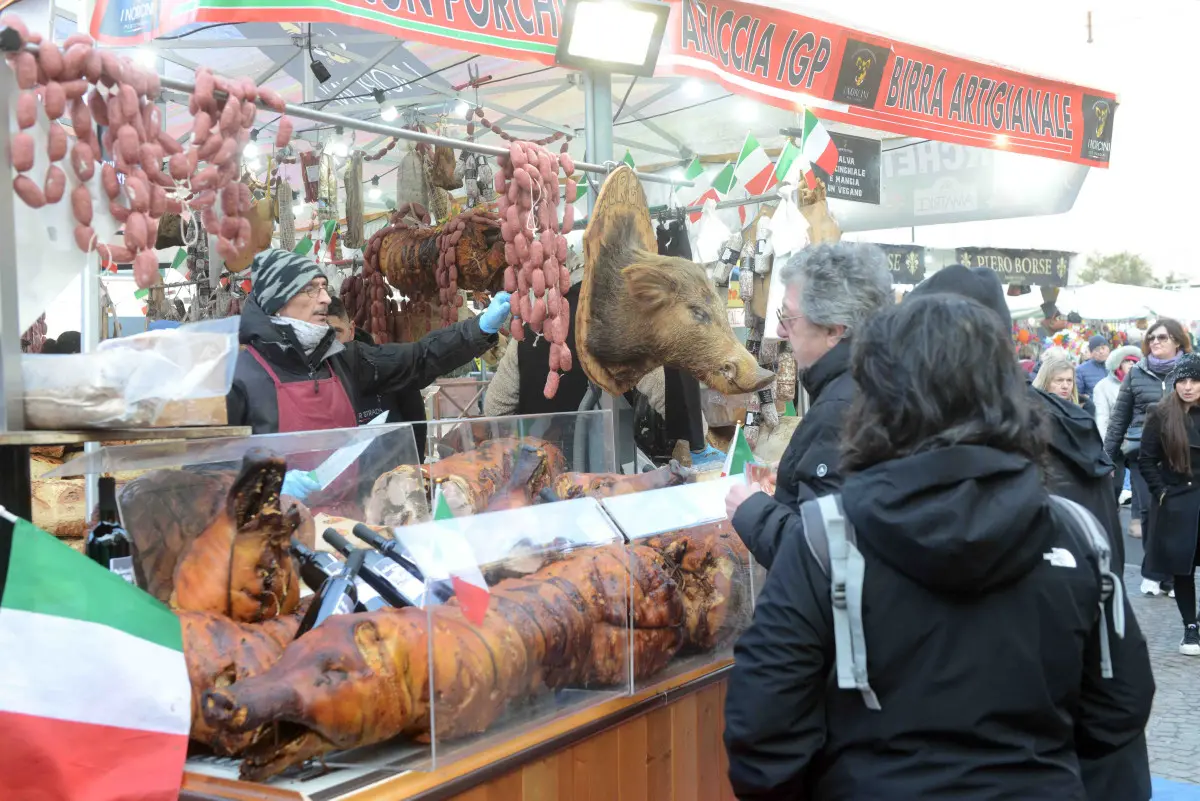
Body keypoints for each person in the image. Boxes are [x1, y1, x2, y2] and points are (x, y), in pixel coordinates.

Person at [723, 293, 1154, 801]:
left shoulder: (825, 539)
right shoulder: (1075, 533)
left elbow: (764, 734)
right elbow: (1119, 710)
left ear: (877, 396)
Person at [226, 248, 510, 444]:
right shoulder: (235, 377)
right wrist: (269, 486)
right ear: (277, 301)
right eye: (311, 289)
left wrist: (479, 328)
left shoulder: (343, 360)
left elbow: (418, 359)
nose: (325, 299)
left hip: (347, 512)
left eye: (323, 287)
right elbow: (214, 469)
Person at [724, 242, 894, 568]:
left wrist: (752, 511)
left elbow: (826, 557)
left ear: (833, 330)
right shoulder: (880, 380)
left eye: (788, 317)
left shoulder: (840, 410)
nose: (779, 330)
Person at [1104, 318, 1193, 596]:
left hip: (1183, 452)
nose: (1155, 342)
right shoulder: (1137, 372)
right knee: (1148, 512)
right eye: (1151, 338)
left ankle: (1173, 575)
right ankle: (1156, 570)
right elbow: (1119, 417)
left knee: (1178, 513)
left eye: (1162, 337)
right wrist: (1107, 458)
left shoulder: (1190, 369)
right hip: (1142, 451)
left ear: (1177, 340)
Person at [1139, 352, 1200, 655]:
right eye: (1182, 380)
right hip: (1178, 501)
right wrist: (1162, 492)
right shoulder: (1161, 413)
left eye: (1195, 381)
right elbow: (1146, 459)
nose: (1188, 387)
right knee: (1182, 569)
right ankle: (1190, 627)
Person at [325, 296, 428, 462]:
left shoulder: (387, 367)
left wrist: (416, 467)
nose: (328, 343)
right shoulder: (307, 377)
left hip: (394, 471)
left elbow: (416, 424)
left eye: (336, 333)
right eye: (321, 334)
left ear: (351, 330)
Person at [1095, 345, 1142, 503]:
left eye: (1135, 361)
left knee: (1141, 492)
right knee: (1115, 488)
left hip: (1140, 443)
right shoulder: (1103, 386)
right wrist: (1105, 451)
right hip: (1116, 444)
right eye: (1127, 361)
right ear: (1118, 364)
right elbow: (1102, 419)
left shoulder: (1142, 384)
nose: (1131, 364)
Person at [1077, 334, 1110, 399]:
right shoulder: (1081, 370)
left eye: (1103, 348)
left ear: (1108, 349)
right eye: (1097, 349)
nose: (1101, 351)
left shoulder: (1116, 366)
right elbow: (1078, 395)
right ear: (1091, 353)